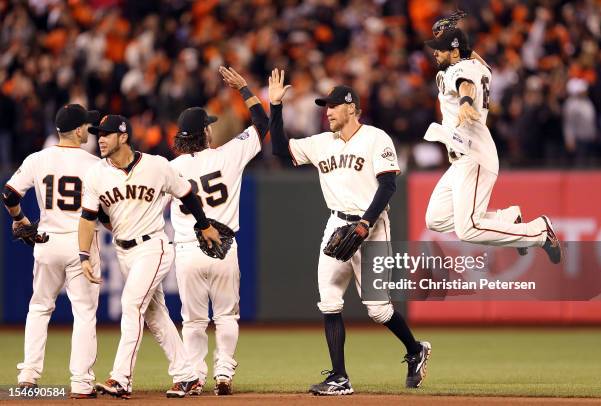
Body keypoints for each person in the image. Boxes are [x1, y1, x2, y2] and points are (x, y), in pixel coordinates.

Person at [268, 68, 431, 395]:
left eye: (333, 106)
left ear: (352, 108)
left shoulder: (376, 138)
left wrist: (364, 224)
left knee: (378, 309)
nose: (326, 112)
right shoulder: (320, 143)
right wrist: (275, 107)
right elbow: (280, 151)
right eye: (325, 106)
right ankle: (339, 377)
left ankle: (415, 349)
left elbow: (387, 186)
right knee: (329, 301)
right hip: (336, 224)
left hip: (371, 226)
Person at [77, 114, 221, 399]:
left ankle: (121, 378)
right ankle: (187, 375)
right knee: (155, 315)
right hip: (123, 251)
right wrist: (83, 255)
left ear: (123, 136)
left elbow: (187, 194)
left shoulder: (156, 165)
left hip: (154, 246)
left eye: (106, 134)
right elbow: (88, 218)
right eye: (98, 134)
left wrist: (204, 225)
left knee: (131, 304)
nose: (100, 139)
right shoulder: (96, 174)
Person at [422, 28, 562, 262]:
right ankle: (507, 219)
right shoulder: (480, 67)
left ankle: (538, 231)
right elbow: (475, 63)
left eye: (440, 49)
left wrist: (466, 102)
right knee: (435, 219)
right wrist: (457, 42)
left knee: (468, 229)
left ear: (455, 51)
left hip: (473, 154)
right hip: (460, 158)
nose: (435, 53)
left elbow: (466, 85)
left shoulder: (461, 69)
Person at [169, 66, 268, 395]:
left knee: (193, 321)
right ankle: (223, 371)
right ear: (205, 134)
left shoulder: (170, 169)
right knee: (226, 315)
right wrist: (244, 89)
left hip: (186, 249)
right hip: (223, 246)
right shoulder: (229, 154)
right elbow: (263, 124)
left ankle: (195, 375)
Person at [1, 104, 102, 398]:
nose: (89, 129)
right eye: (87, 125)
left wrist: (20, 219)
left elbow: (9, 194)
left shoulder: (38, 158)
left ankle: (28, 376)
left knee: (39, 307)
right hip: (80, 242)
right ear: (78, 129)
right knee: (84, 312)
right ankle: (81, 382)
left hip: (46, 241)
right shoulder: (93, 163)